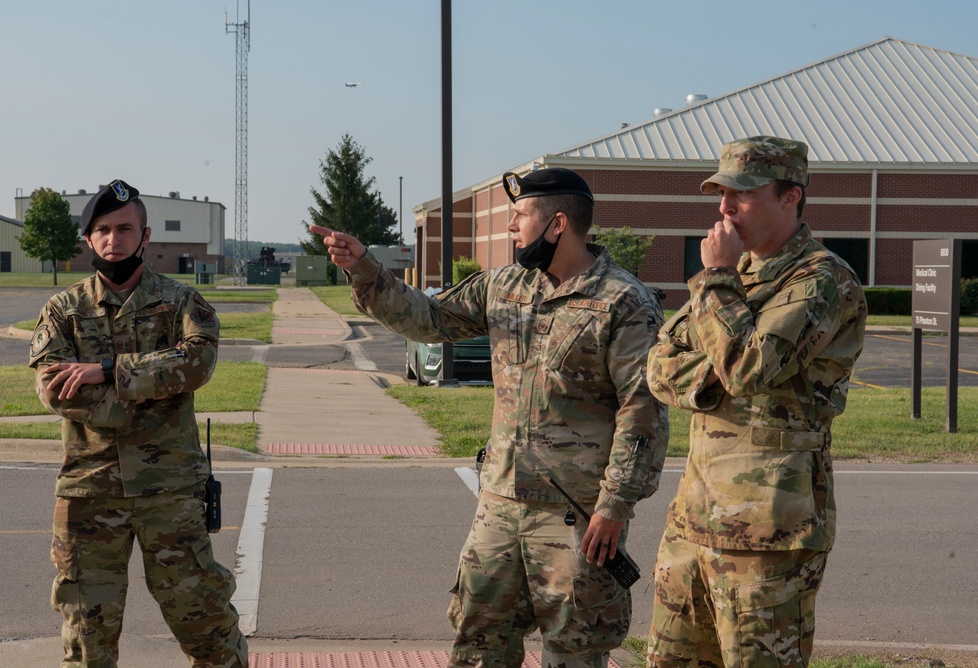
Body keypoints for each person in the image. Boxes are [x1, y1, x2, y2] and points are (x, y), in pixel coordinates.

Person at [311, 166, 669, 668]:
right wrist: (364, 266)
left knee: (575, 651)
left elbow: (643, 410)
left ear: (558, 223)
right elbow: (429, 318)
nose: (510, 227)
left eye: (520, 215)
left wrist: (615, 505)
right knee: (477, 644)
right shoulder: (504, 286)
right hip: (499, 507)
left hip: (577, 516)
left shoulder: (622, 302)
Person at [644, 136, 867, 667]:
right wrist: (719, 360)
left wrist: (716, 281)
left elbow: (749, 367)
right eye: (720, 194)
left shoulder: (822, 280)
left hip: (770, 536)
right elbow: (656, 365)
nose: (724, 208)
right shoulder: (737, 276)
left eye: (741, 194)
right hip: (692, 525)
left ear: (790, 197)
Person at [28, 180, 247, 668]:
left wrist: (108, 370)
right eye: (103, 230)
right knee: (88, 639)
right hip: (90, 495)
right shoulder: (63, 311)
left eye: (124, 228)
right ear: (88, 240)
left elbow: (197, 364)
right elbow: (54, 389)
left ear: (145, 235)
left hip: (169, 491)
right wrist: (149, 390)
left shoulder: (183, 303)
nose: (113, 239)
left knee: (206, 624)